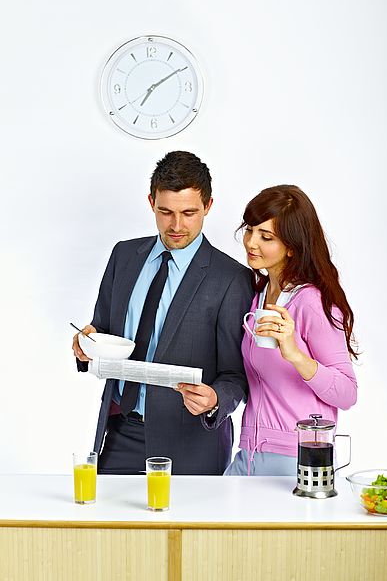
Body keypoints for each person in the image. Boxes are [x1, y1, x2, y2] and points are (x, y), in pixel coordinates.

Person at [72, 151, 254, 475]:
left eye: (189, 212)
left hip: (192, 441)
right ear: (151, 201)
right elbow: (100, 329)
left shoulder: (231, 278)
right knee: (111, 526)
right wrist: (85, 343)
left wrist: (214, 400)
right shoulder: (123, 255)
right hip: (120, 432)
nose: (177, 225)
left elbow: (236, 375)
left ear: (208, 206)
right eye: (165, 211)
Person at [224, 184, 358, 476]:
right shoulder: (258, 296)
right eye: (250, 230)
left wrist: (295, 354)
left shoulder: (311, 302)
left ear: (291, 247)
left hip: (297, 459)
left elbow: (347, 393)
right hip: (249, 453)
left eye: (266, 236)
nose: (251, 243)